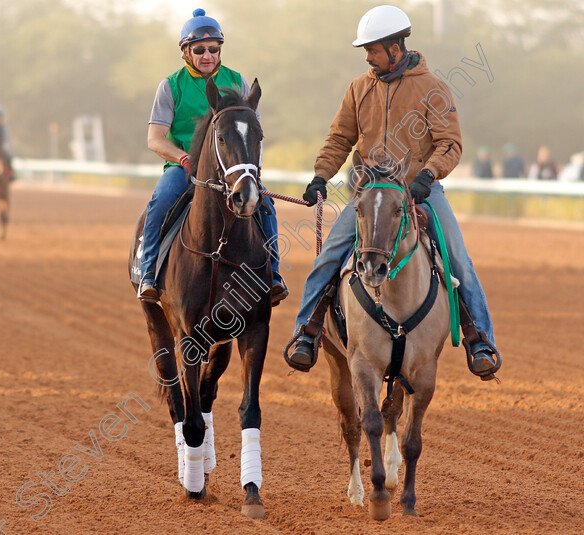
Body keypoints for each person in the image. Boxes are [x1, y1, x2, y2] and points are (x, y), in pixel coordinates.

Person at [285, 5, 499, 378]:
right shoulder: (359, 88)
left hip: (420, 192)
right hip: (371, 195)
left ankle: (478, 338)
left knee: (458, 260)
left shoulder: (433, 88)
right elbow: (339, 138)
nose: (368, 57)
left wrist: (428, 176)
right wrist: (321, 176)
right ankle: (307, 332)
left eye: (373, 49)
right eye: (366, 51)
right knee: (329, 256)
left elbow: (449, 143)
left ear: (395, 48)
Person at [138, 8, 287, 305]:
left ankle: (273, 274)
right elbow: (155, 139)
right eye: (200, 49)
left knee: (266, 204)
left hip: (232, 170)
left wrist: (250, 172)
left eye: (214, 49)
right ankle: (149, 274)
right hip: (185, 169)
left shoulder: (238, 82)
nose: (208, 55)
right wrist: (183, 159)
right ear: (185, 52)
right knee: (160, 203)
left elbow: (252, 133)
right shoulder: (170, 86)